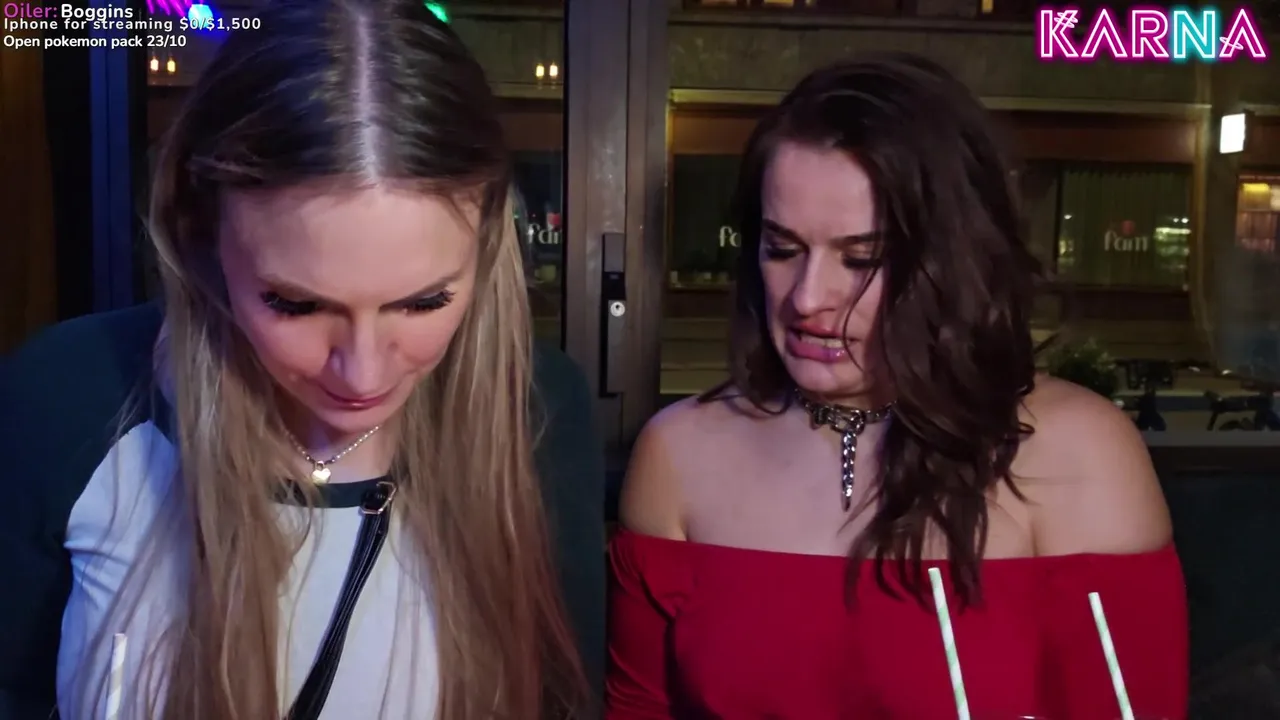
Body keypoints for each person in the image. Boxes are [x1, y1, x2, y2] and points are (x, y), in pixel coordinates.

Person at [0, 1, 605, 718]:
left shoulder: (538, 410)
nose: (363, 375)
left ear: (490, 241)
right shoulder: (67, 400)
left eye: (424, 302)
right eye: (295, 304)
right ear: (199, 233)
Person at [607, 54, 1187, 719]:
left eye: (863, 258)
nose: (807, 298)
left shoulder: (1076, 450)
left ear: (954, 263)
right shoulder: (679, 454)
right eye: (782, 249)